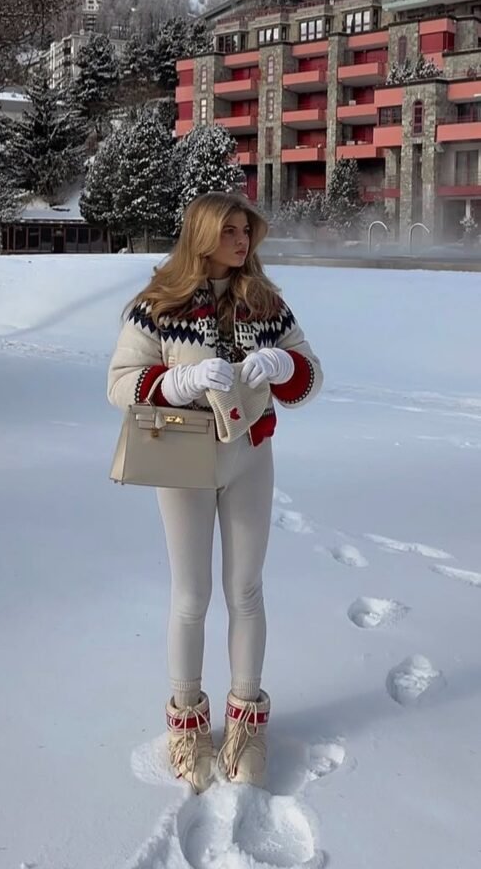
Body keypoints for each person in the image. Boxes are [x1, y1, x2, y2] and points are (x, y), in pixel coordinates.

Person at [107, 191, 323, 794]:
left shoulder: (265, 303)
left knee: (246, 589)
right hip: (183, 460)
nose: (242, 240)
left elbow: (310, 377)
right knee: (192, 593)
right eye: (229, 230)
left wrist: (284, 366)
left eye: (246, 229)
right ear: (200, 234)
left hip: (250, 455)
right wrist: (178, 381)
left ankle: (246, 720)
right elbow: (119, 384)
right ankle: (186, 721)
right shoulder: (157, 306)